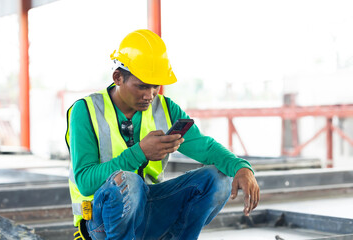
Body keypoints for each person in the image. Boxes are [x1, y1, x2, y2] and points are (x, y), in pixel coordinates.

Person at [66, 29, 260, 240]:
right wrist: (139, 152)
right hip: (101, 222)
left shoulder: (165, 109)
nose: (149, 95)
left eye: (155, 86)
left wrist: (241, 167)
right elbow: (85, 182)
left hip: (149, 211)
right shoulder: (86, 111)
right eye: (141, 86)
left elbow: (204, 147)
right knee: (128, 182)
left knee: (218, 178)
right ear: (118, 77)